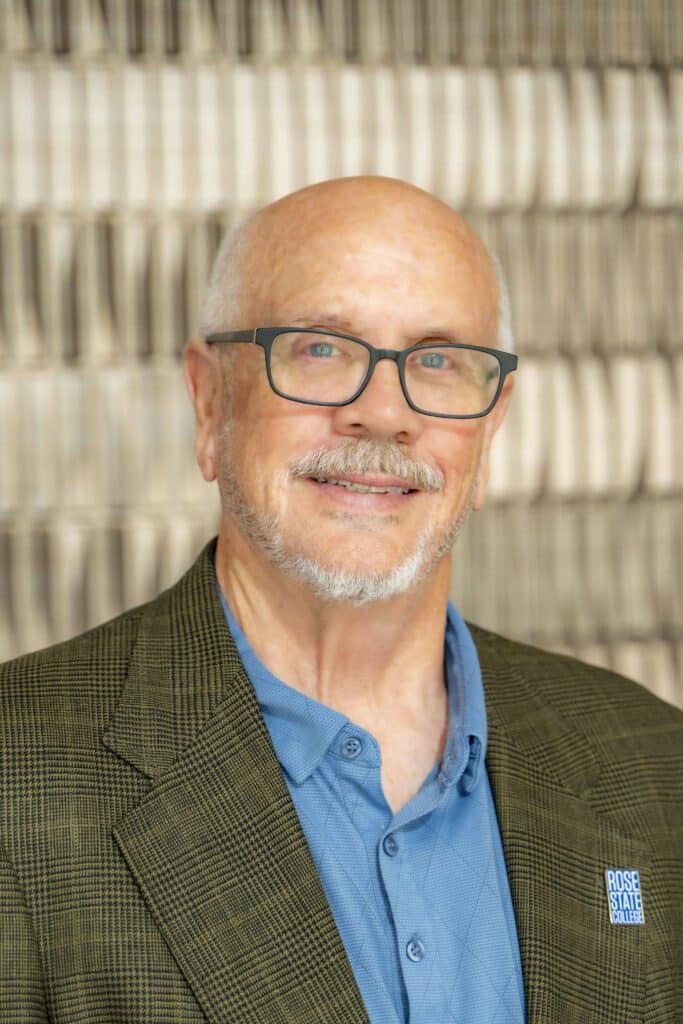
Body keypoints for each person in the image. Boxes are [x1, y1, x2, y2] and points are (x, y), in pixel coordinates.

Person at [0, 177, 680, 1024]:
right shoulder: (18, 777)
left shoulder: (653, 764)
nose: (383, 413)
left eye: (437, 360)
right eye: (320, 349)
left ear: (490, 427)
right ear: (210, 402)